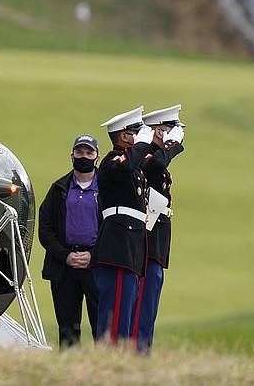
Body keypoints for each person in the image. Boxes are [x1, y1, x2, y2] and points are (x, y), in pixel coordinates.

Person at [90, 106, 155, 344]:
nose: (142, 135)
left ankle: (121, 360)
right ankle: (110, 360)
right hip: (118, 246)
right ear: (125, 136)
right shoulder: (111, 162)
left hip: (131, 246)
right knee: (116, 312)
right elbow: (123, 166)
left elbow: (153, 164)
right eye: (137, 131)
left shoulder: (132, 164)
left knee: (126, 311)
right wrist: (142, 146)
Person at [38, 134, 101, 349]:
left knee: (102, 325)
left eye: (89, 153)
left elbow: (113, 229)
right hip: (64, 267)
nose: (84, 157)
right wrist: (66, 256)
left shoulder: (107, 190)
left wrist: (95, 254)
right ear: (71, 156)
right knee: (67, 327)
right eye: (80, 152)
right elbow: (45, 229)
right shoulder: (58, 189)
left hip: (96, 266)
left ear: (97, 158)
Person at [133, 104, 185, 352]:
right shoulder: (146, 155)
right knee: (143, 300)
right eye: (168, 130)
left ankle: (144, 350)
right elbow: (152, 167)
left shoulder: (157, 156)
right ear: (157, 132)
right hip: (146, 241)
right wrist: (170, 147)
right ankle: (137, 352)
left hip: (157, 242)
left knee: (150, 299)